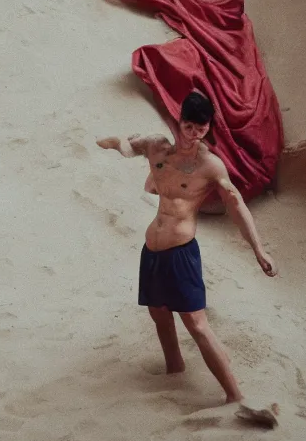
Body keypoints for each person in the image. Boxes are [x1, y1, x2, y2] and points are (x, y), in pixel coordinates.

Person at [97, 91, 277, 403]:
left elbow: (236, 205)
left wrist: (258, 249)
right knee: (159, 313)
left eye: (202, 129)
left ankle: (235, 396)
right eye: (189, 127)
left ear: (209, 128)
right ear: (179, 122)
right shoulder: (157, 147)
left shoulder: (210, 165)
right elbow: (129, 146)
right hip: (151, 250)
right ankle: (174, 369)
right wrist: (117, 143)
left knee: (196, 324)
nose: (194, 135)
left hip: (181, 253)